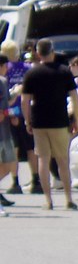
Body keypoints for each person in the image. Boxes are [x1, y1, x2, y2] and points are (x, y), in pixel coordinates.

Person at [19, 39, 78, 210]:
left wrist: (27, 120)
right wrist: (76, 118)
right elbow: (74, 97)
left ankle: (48, 200)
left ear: (38, 53)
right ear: (52, 51)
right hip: (59, 120)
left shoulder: (31, 74)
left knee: (43, 160)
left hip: (39, 121)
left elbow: (25, 100)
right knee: (62, 160)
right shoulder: (64, 72)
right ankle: (68, 199)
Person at [1, 39, 43, 195]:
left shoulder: (5, 70)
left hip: (9, 113)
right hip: (27, 111)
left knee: (15, 148)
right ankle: (36, 179)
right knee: (31, 147)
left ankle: (15, 181)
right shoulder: (28, 68)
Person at [0, 54, 17, 215]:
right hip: (2, 133)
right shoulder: (2, 82)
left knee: (9, 165)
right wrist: (9, 113)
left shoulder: (4, 83)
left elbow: (6, 104)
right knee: (7, 165)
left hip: (4, 131)